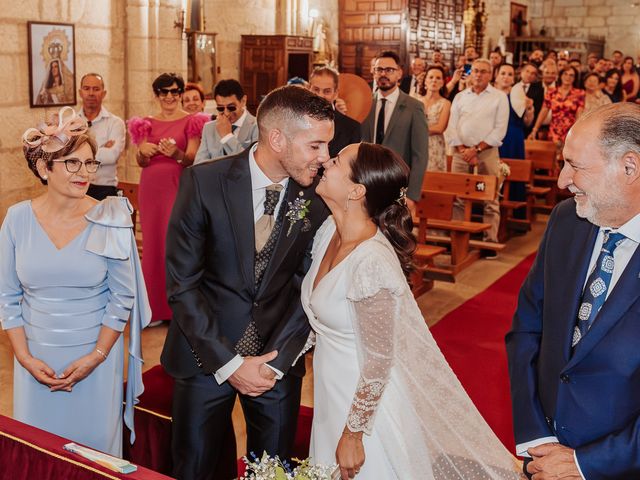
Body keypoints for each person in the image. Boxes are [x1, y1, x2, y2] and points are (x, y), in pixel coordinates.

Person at [304, 142, 522, 479]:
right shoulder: (329, 232)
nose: (324, 163)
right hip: (330, 389)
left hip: (362, 408)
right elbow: (322, 317)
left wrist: (353, 433)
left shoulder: (371, 261)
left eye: (335, 161)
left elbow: (379, 359)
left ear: (356, 190)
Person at [161, 85, 334, 480]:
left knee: (271, 472)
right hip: (204, 357)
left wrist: (276, 361)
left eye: (327, 145)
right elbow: (183, 285)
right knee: (196, 469)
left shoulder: (320, 195)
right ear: (277, 139)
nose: (324, 157)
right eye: (315, 146)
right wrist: (229, 362)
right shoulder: (203, 183)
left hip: (276, 362)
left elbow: (310, 285)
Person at [0, 107, 150, 457]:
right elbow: (7, 297)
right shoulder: (17, 219)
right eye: (72, 163)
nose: (84, 172)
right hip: (34, 361)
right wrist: (23, 357)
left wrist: (96, 357)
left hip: (94, 359)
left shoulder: (109, 217)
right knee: (40, 455)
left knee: (93, 455)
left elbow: (121, 297)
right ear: (43, 168)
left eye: (89, 163)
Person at [506, 102, 640, 479]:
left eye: (576, 166)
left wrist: (585, 465)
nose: (563, 180)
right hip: (545, 455)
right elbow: (527, 329)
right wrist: (536, 434)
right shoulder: (567, 220)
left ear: (629, 167)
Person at [127, 72, 202, 325]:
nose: (169, 96)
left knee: (173, 244)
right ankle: (152, 309)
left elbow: (191, 158)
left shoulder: (192, 121)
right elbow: (140, 161)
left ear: (180, 94)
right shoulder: (145, 124)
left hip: (176, 186)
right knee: (152, 244)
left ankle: (175, 308)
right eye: (163, 92)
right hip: (150, 188)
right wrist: (142, 153)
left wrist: (176, 153)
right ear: (157, 95)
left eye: (174, 91)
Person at [445, 58, 509, 254]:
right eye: (475, 71)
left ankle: (489, 241)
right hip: (461, 153)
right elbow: (451, 126)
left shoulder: (499, 97)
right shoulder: (460, 97)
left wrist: (477, 150)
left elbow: (499, 130)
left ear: (490, 75)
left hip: (487, 153)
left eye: (483, 71)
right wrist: (464, 149)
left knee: (489, 197)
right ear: (470, 73)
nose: (479, 75)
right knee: (458, 197)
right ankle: (457, 238)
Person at [361, 51, 428, 210]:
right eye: (379, 69)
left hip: (398, 184)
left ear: (399, 73)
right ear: (374, 72)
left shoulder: (414, 107)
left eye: (389, 70)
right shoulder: (364, 103)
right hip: (366, 182)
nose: (383, 74)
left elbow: (420, 155)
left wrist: (412, 195)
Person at [77, 73, 126, 200]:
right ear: (80, 92)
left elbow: (111, 156)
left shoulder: (115, 123)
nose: (91, 93)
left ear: (103, 93)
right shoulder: (71, 122)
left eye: (96, 89)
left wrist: (79, 153)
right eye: (87, 88)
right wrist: (101, 148)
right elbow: (65, 155)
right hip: (76, 187)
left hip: (105, 190)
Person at [194, 79, 259, 164]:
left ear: (243, 101)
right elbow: (199, 164)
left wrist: (227, 137)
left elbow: (253, 163)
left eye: (231, 107)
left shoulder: (257, 126)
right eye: (220, 108)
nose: (226, 113)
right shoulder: (209, 128)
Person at [308, 66, 361, 158]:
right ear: (308, 89)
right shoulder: (296, 120)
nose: (320, 95)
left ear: (336, 93)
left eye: (327, 91)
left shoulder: (352, 128)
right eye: (316, 90)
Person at [530, 66, 585, 145]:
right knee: (552, 155)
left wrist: (577, 133)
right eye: (565, 74)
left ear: (575, 78)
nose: (568, 77)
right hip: (554, 131)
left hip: (571, 132)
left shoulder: (580, 93)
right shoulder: (551, 92)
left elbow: (579, 115)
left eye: (571, 75)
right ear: (560, 76)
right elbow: (544, 111)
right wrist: (535, 129)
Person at [421, 65, 451, 172]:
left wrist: (417, 130)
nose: (434, 80)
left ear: (443, 82)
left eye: (438, 78)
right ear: (425, 81)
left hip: (435, 146)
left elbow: (440, 128)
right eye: (431, 77)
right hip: (417, 143)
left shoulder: (446, 103)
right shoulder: (416, 101)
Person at [512, 63, 543, 138]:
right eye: (527, 71)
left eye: (533, 73)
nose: (529, 75)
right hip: (512, 124)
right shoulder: (512, 86)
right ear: (522, 72)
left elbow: (539, 110)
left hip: (529, 128)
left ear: (535, 77)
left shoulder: (539, 90)